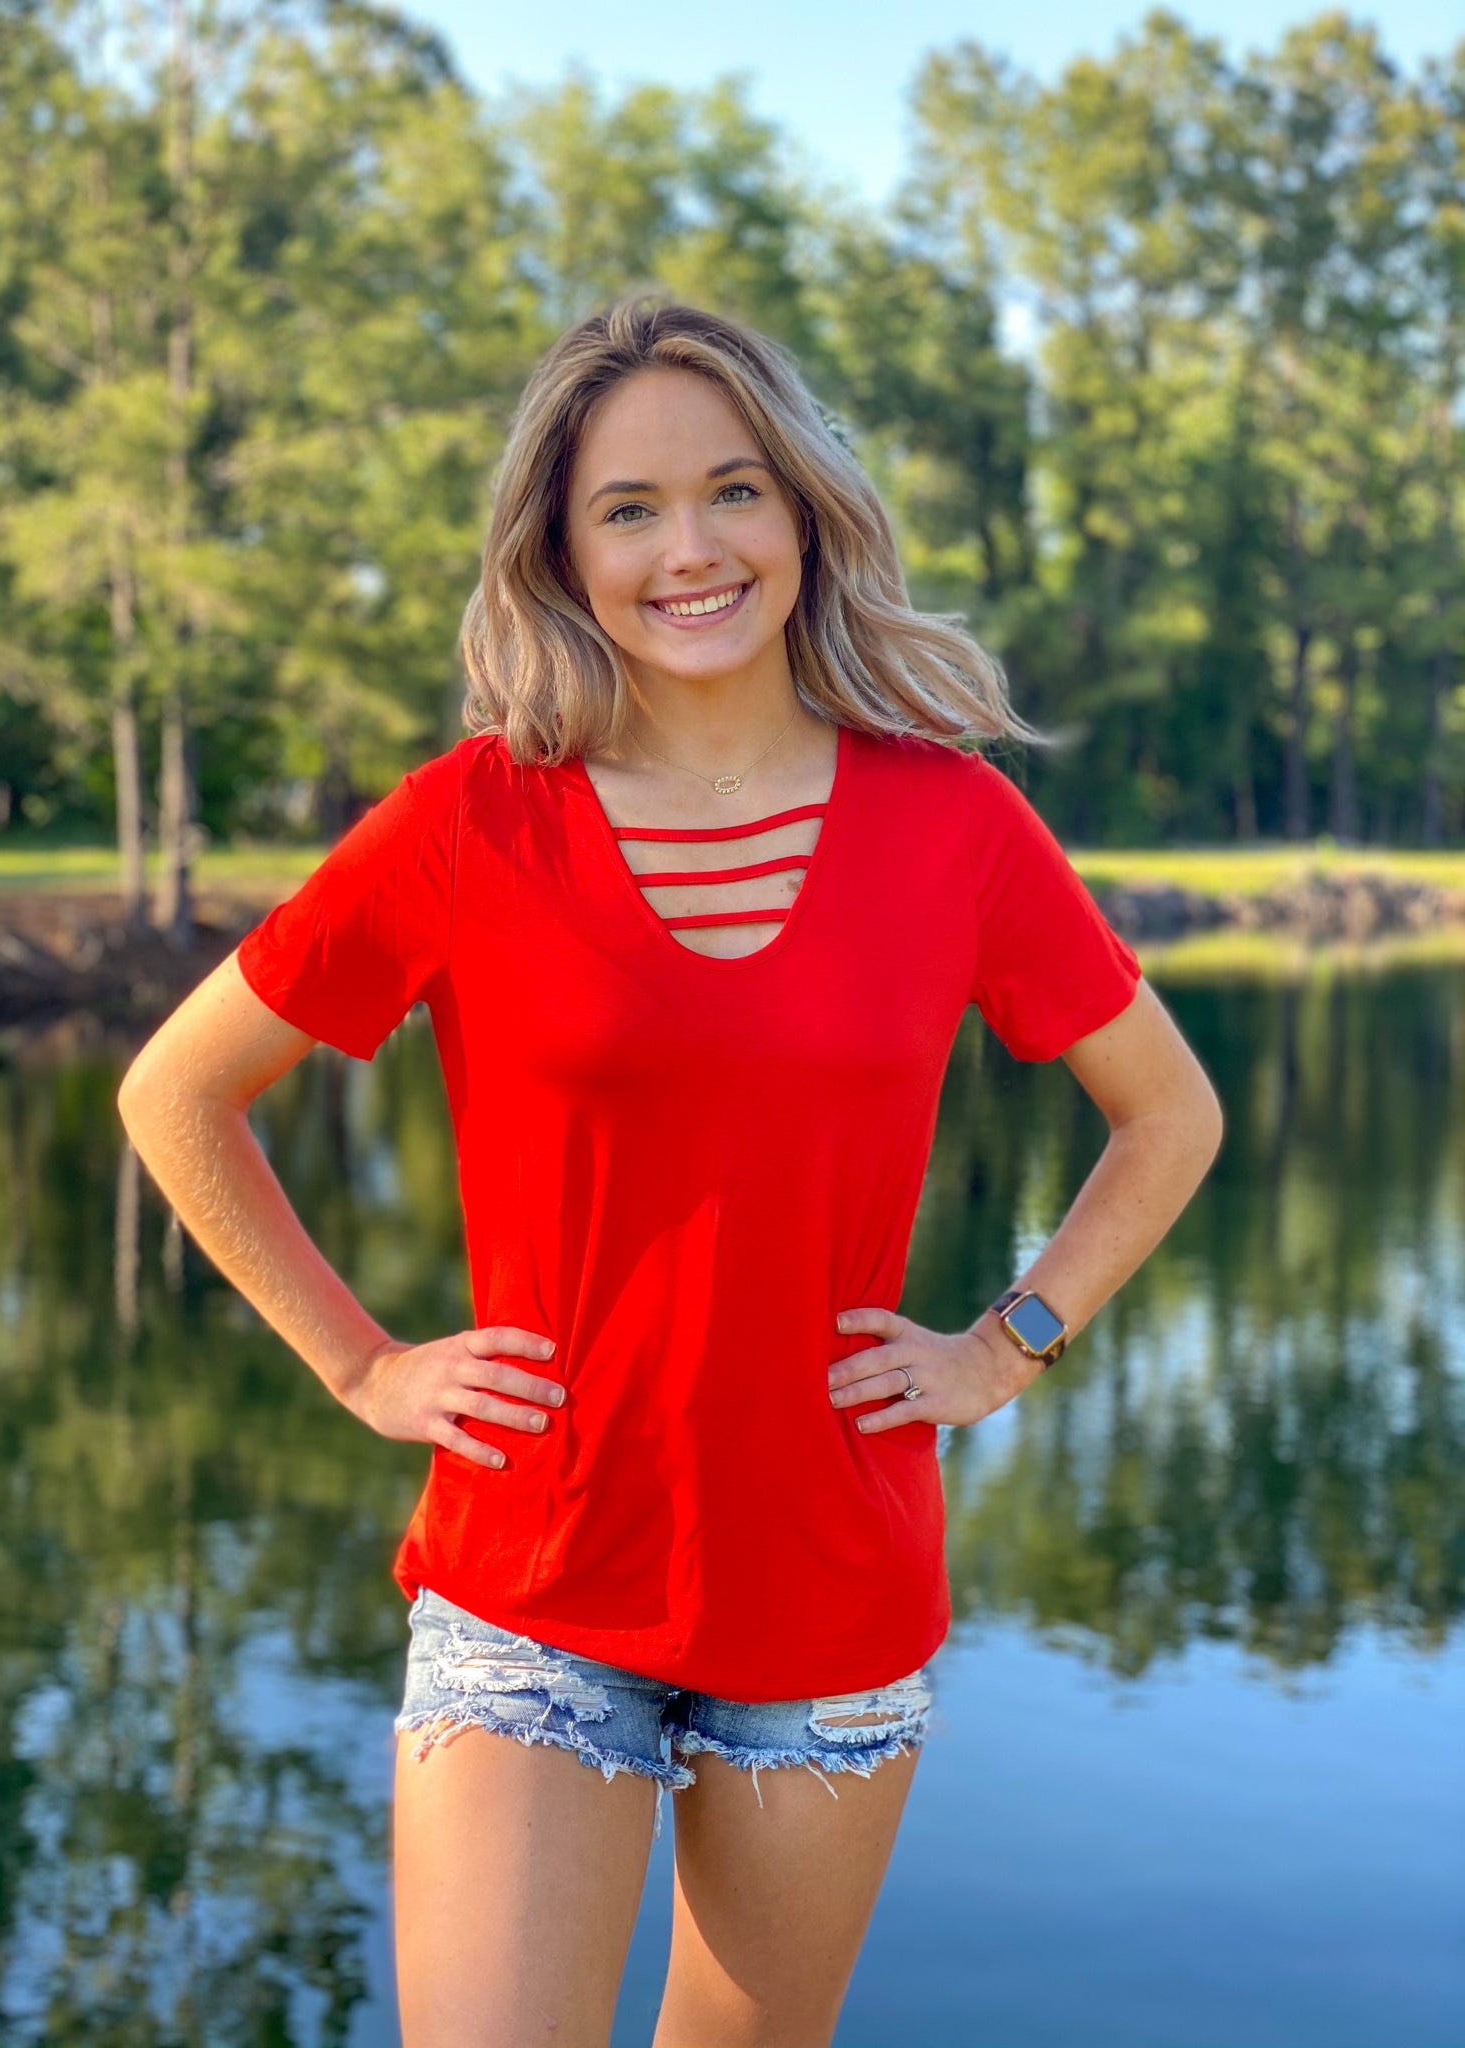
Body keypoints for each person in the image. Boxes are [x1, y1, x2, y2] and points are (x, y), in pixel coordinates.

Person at [117, 296, 1223, 2048]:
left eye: (732, 491)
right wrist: (364, 1363)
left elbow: (1171, 1115)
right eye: (627, 508)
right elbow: (180, 1092)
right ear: (560, 550)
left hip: (832, 1588)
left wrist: (1010, 1340)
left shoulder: (953, 824)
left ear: (802, 515)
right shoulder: (476, 820)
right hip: (534, 1573)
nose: (688, 548)